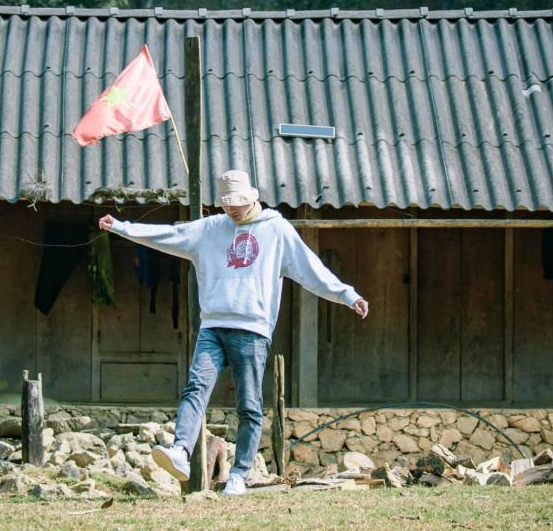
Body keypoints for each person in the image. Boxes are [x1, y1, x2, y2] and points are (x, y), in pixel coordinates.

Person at [99, 169, 369, 496]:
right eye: (227, 205)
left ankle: (240, 475)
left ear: (252, 197)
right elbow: (167, 235)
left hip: (252, 330)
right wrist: (123, 228)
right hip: (212, 324)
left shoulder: (277, 230)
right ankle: (181, 451)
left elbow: (310, 269)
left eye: (238, 203)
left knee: (249, 405)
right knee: (196, 386)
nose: (233, 210)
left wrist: (347, 295)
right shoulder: (210, 228)